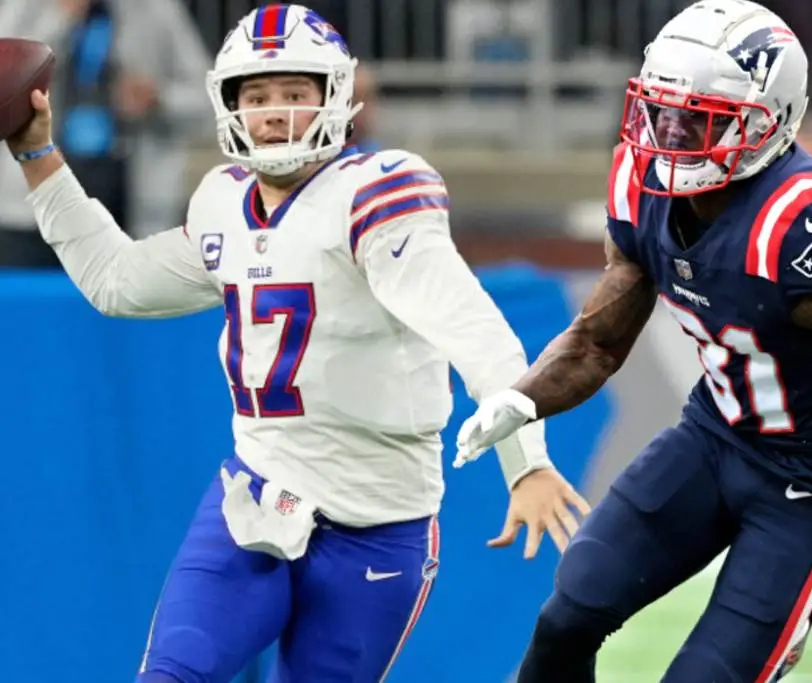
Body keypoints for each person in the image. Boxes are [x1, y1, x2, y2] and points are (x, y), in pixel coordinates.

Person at [6, 4, 589, 682]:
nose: (277, 113)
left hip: (379, 522)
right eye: (258, 96)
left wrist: (526, 461)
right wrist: (37, 155)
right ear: (230, 105)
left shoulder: (376, 194)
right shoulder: (223, 201)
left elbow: (474, 330)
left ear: (335, 96)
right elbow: (117, 281)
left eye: (295, 93)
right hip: (255, 500)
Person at [454, 1, 812, 681]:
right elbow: (597, 341)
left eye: (698, 118)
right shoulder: (640, 182)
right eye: (663, 111)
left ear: (770, 121)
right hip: (715, 435)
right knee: (568, 613)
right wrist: (522, 400)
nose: (670, 135)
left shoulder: (797, 226)